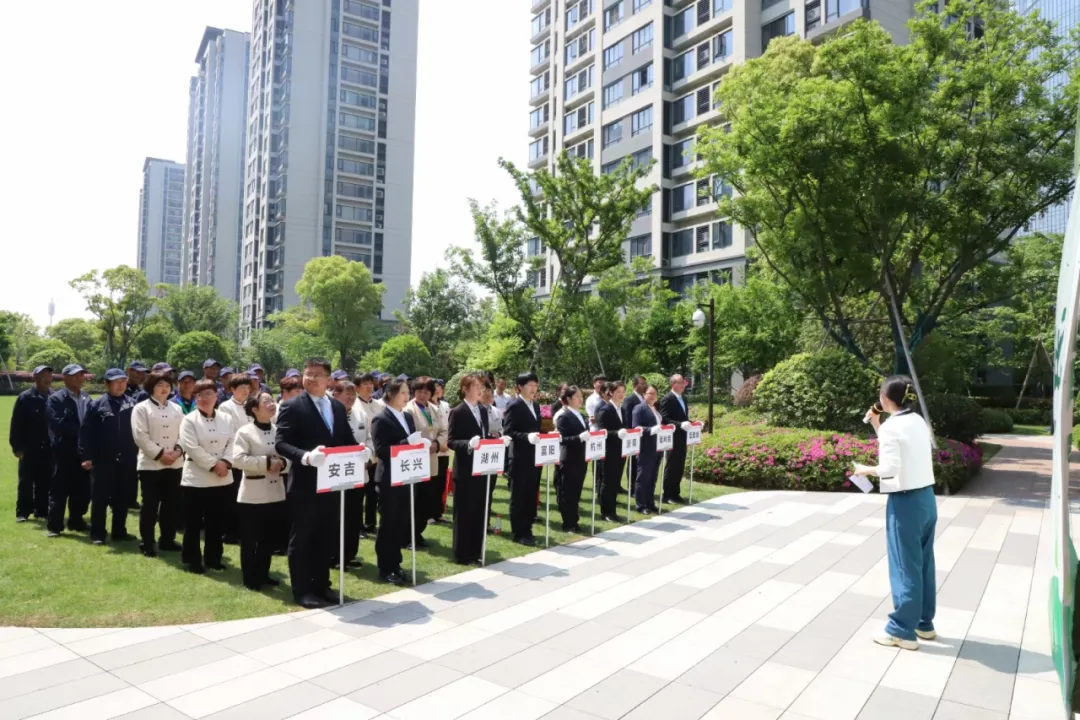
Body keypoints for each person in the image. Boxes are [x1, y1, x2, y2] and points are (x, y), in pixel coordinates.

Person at [853, 376, 938, 651]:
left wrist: (865, 470)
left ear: (886, 398)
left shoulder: (894, 427)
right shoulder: (916, 421)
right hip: (926, 498)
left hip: (905, 503)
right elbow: (899, 450)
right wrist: (878, 424)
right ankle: (924, 623)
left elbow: (889, 467)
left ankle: (901, 630)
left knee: (905, 566)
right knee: (923, 563)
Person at [275, 358, 357, 608]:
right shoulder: (292, 406)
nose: (310, 379)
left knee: (326, 537)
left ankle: (322, 585)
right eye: (307, 374)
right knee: (303, 539)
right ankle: (302, 590)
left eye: (317, 375)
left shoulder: (336, 406)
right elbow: (280, 443)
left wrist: (360, 451)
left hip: (331, 484)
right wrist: (305, 456)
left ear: (329, 380)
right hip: (305, 484)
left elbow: (346, 439)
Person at [178, 379, 236, 574]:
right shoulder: (189, 420)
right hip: (196, 477)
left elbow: (233, 442)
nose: (205, 398)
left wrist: (226, 463)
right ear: (196, 398)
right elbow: (191, 447)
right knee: (193, 523)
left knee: (216, 521)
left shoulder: (226, 418)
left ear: (216, 395)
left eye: (209, 394)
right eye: (200, 395)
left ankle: (213, 558)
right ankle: (191, 559)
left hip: (222, 477)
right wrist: (214, 465)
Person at [232, 392, 288, 590]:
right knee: (250, 539)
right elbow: (238, 460)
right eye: (266, 402)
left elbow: (289, 457)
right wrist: (265, 463)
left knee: (269, 537)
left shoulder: (279, 430)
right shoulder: (245, 432)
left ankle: (263, 574)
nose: (272, 404)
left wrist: (282, 463)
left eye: (272, 401)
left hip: (275, 492)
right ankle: (250, 577)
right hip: (253, 495)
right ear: (254, 409)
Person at [370, 378, 422, 585]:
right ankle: (385, 567)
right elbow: (381, 450)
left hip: (406, 475)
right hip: (389, 478)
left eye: (407, 392)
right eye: (402, 392)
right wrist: (405, 443)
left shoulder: (408, 417)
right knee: (389, 523)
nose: (406, 396)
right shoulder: (380, 419)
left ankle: (396, 563)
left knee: (401, 522)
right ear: (390, 394)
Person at [79, 369, 138, 545]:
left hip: (126, 459)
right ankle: (98, 533)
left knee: (122, 497)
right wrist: (86, 456)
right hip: (103, 459)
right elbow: (86, 432)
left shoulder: (132, 404)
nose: (120, 385)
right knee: (100, 499)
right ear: (106, 384)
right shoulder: (97, 405)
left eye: (123, 381)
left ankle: (119, 531)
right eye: (115, 381)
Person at [132, 371, 185, 557]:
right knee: (150, 505)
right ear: (151, 387)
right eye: (159, 385)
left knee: (171, 504)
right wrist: (161, 454)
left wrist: (178, 451)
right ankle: (147, 542)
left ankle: (167, 540)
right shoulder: (141, 408)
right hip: (150, 464)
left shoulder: (176, 409)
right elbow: (140, 436)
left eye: (167, 385)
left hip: (175, 463)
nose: (164, 388)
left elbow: (184, 435)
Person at [446, 373, 491, 564]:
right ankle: (462, 553)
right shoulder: (457, 411)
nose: (481, 390)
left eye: (482, 387)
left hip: (481, 468)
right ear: (465, 389)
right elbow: (451, 441)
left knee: (479, 512)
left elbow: (484, 435)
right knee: (464, 513)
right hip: (465, 470)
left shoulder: (482, 410)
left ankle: (476, 550)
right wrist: (468, 444)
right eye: (476, 387)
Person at [45, 364, 92, 537]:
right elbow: (57, 424)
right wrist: (82, 432)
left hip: (82, 452)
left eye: (82, 375)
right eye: (76, 375)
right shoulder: (56, 399)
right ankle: (55, 526)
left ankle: (76, 521)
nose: (81, 378)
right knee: (59, 488)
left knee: (81, 488)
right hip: (63, 451)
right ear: (65, 378)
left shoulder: (87, 397)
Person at [405, 377, 447, 547]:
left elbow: (443, 430)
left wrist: (437, 444)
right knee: (412, 500)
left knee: (425, 500)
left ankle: (418, 532)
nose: (423, 394)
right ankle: (407, 535)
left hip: (431, 460)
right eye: (420, 391)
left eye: (427, 391)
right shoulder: (408, 410)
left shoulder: (433, 409)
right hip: (414, 461)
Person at [503, 372, 542, 546]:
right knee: (518, 496)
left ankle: (528, 528)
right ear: (520, 387)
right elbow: (509, 431)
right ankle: (519, 532)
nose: (533, 389)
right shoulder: (514, 405)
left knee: (530, 495)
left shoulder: (536, 405)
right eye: (530, 385)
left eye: (535, 385)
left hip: (534, 457)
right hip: (519, 457)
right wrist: (526, 437)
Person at [10, 365, 52, 523]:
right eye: (42, 375)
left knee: (45, 480)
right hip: (29, 447)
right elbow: (16, 424)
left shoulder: (53, 397)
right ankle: (23, 512)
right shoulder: (25, 397)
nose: (46, 378)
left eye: (49, 375)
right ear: (34, 377)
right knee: (26, 481)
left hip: (48, 447)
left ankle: (41, 510)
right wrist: (17, 447)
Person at [216, 374, 253, 545]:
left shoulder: (251, 405)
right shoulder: (226, 407)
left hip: (251, 456)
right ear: (232, 389)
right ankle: (230, 532)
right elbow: (228, 433)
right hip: (234, 455)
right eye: (241, 388)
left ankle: (242, 529)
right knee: (232, 496)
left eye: (247, 387)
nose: (245, 391)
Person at [333, 380, 366, 568]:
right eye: (347, 393)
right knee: (337, 517)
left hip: (358, 474)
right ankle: (334, 556)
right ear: (335, 395)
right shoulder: (330, 415)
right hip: (336, 476)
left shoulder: (360, 415)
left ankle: (349, 555)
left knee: (354, 516)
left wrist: (367, 453)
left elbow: (368, 438)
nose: (351, 398)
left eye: (353, 394)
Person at [554, 385, 590, 532]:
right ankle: (568, 523)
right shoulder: (564, 416)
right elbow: (562, 439)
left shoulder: (580, 415)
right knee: (567, 492)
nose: (580, 399)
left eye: (581, 396)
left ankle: (574, 520)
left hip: (581, 458)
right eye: (577, 397)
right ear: (568, 399)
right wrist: (579, 438)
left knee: (576, 491)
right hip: (568, 459)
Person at [353, 372, 384, 534]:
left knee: (373, 491)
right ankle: (358, 525)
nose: (369, 386)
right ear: (357, 388)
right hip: (361, 454)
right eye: (364, 384)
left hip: (377, 454)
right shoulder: (354, 406)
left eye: (371, 383)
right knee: (359, 492)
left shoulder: (379, 404)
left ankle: (370, 523)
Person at [597, 381, 627, 522]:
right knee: (607, 482)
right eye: (618, 391)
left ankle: (613, 510)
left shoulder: (623, 409)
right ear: (611, 392)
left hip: (621, 451)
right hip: (609, 451)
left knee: (615, 482)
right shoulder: (605, 410)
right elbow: (602, 431)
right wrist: (616, 433)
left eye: (623, 391)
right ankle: (606, 512)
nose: (621, 394)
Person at [659, 374, 690, 504]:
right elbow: (664, 418)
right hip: (672, 437)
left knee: (679, 466)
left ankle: (676, 493)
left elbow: (683, 417)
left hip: (683, 437)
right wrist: (679, 425)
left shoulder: (683, 398)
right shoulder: (667, 399)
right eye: (681, 382)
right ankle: (668, 495)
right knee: (671, 466)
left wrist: (693, 423)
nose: (684, 385)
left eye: (684, 382)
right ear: (673, 384)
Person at [632, 385, 664, 515]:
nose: (653, 396)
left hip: (657, 447)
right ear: (644, 395)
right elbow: (636, 427)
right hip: (645, 447)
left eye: (655, 394)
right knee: (643, 476)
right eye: (650, 394)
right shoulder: (639, 408)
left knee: (652, 476)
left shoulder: (655, 408)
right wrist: (650, 430)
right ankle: (640, 504)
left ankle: (650, 502)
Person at [622, 375, 647, 494]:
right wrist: (630, 434)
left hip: (645, 436)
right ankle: (632, 488)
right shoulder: (629, 399)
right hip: (633, 435)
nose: (644, 386)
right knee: (633, 462)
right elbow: (627, 418)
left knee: (641, 463)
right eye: (641, 383)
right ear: (634, 385)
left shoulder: (644, 398)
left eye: (644, 384)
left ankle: (639, 486)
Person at [433, 380, 452, 523]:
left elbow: (449, 427)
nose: (437, 390)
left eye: (439, 387)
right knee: (431, 483)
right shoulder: (426, 407)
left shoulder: (445, 405)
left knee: (441, 483)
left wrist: (446, 443)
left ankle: (438, 512)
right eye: (434, 388)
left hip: (445, 449)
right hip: (433, 450)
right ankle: (428, 514)